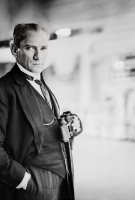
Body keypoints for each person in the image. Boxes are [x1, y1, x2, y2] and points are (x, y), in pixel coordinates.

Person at [0, 23, 82, 200]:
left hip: (61, 181)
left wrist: (71, 125)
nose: (38, 56)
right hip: (31, 187)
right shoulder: (3, 89)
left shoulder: (41, 83)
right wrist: (23, 180)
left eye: (43, 48)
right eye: (30, 48)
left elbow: (44, 126)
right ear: (15, 49)